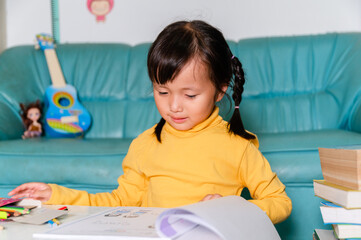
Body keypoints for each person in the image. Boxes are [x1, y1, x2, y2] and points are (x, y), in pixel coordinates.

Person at [9, 20, 292, 224]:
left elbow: (280, 203)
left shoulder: (238, 146)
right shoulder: (146, 144)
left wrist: (236, 208)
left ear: (220, 90)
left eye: (190, 94)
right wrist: (55, 194)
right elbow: (120, 202)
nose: (174, 106)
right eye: (162, 92)